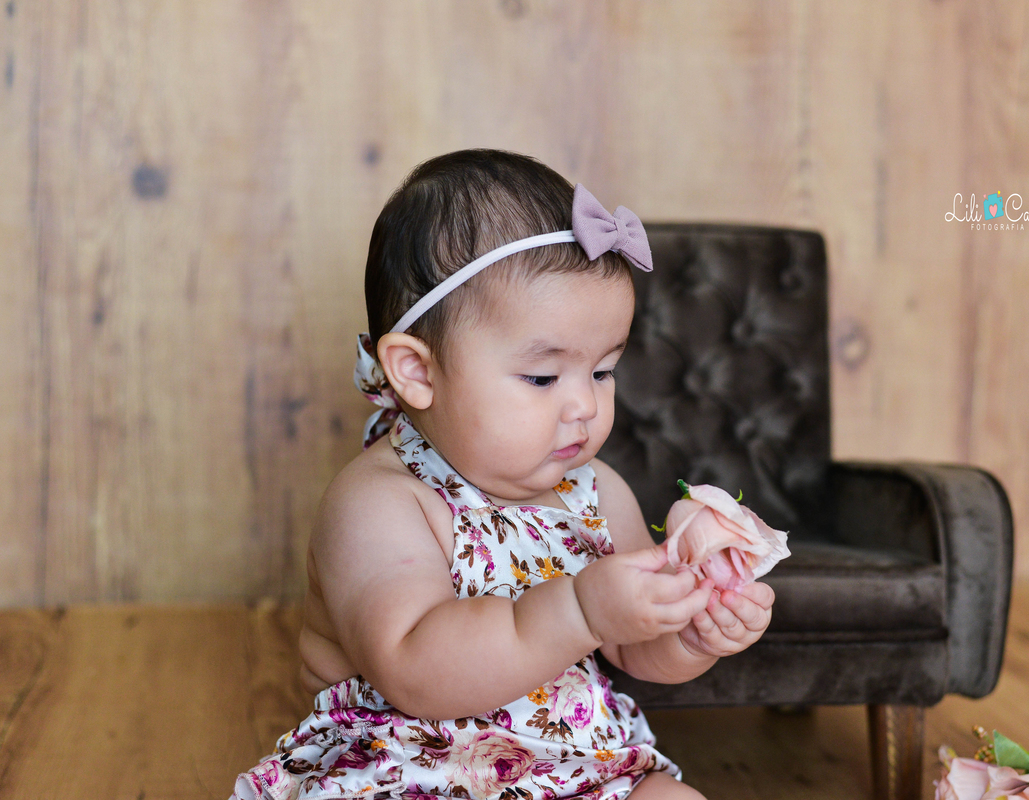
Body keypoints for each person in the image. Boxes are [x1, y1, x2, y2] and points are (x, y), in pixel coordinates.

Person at [230, 149, 776, 800]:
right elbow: (415, 672)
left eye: (603, 370)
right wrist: (580, 608)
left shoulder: (597, 492)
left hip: (574, 772)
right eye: (542, 377)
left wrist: (691, 632)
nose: (584, 404)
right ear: (418, 372)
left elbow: (633, 648)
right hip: (408, 773)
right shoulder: (381, 503)